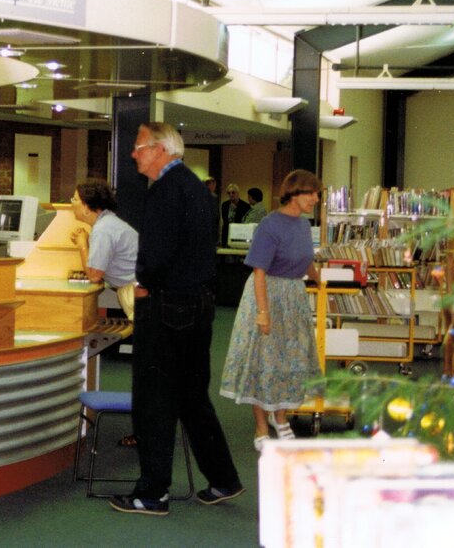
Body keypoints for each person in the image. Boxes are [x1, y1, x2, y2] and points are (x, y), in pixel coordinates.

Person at [109, 122, 243, 517]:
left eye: (139, 147)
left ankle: (153, 493)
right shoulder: (197, 188)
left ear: (161, 149)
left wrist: (144, 284)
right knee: (192, 397)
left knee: (154, 400)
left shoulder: (165, 190)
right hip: (198, 305)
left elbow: (157, 253)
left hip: (167, 307)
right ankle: (223, 479)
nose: (134, 154)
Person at [219, 169, 324, 452]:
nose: (316, 199)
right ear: (294, 194)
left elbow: (306, 259)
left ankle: (281, 418)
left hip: (293, 298)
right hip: (266, 294)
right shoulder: (269, 225)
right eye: (312, 193)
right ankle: (261, 426)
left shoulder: (303, 225)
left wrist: (319, 279)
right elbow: (259, 272)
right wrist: (263, 313)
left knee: (288, 360)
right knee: (263, 361)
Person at [69, 178, 138, 320]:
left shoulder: (103, 230)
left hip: (138, 292)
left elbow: (94, 276)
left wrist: (82, 245)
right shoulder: (107, 224)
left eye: (75, 199)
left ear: (87, 207)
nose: (72, 204)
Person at [220, 183, 251, 247]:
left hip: (239, 234)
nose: (231, 195)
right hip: (227, 233)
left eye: (233, 192)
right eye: (229, 193)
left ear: (237, 193)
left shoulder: (245, 206)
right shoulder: (225, 205)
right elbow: (225, 221)